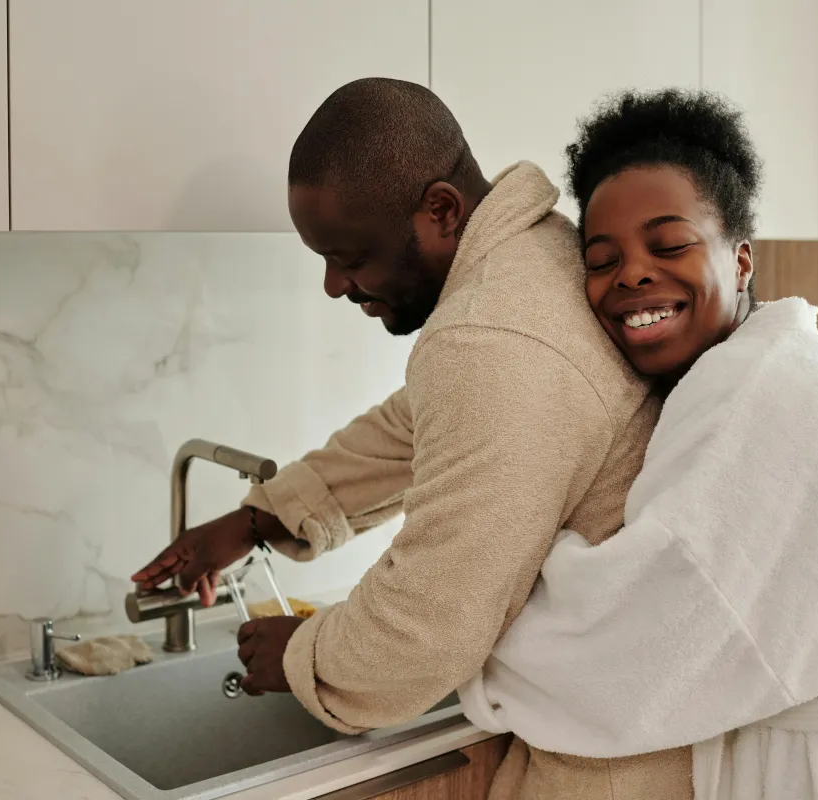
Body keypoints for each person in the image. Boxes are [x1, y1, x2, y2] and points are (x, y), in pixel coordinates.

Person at [132, 78, 694, 798]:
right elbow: (422, 422)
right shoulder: (537, 259)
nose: (336, 285)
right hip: (633, 713)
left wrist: (303, 655)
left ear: (441, 210)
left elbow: (429, 625)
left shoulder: (492, 336)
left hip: (620, 760)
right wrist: (260, 516)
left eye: (351, 255)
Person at [458, 89, 818, 799]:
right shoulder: (752, 369)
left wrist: (448, 631)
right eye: (601, 259)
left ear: (742, 260)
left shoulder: (760, 400)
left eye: (669, 245)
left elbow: (633, 651)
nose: (632, 272)